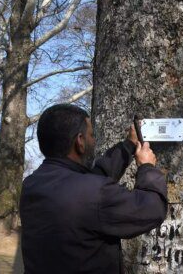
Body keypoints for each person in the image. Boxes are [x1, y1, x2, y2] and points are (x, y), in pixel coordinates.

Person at [19, 104, 167, 273]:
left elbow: (89, 185)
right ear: (80, 141)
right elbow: (152, 208)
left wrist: (128, 146)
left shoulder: (32, 184)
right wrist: (147, 167)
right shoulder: (92, 192)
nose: (94, 140)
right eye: (91, 135)